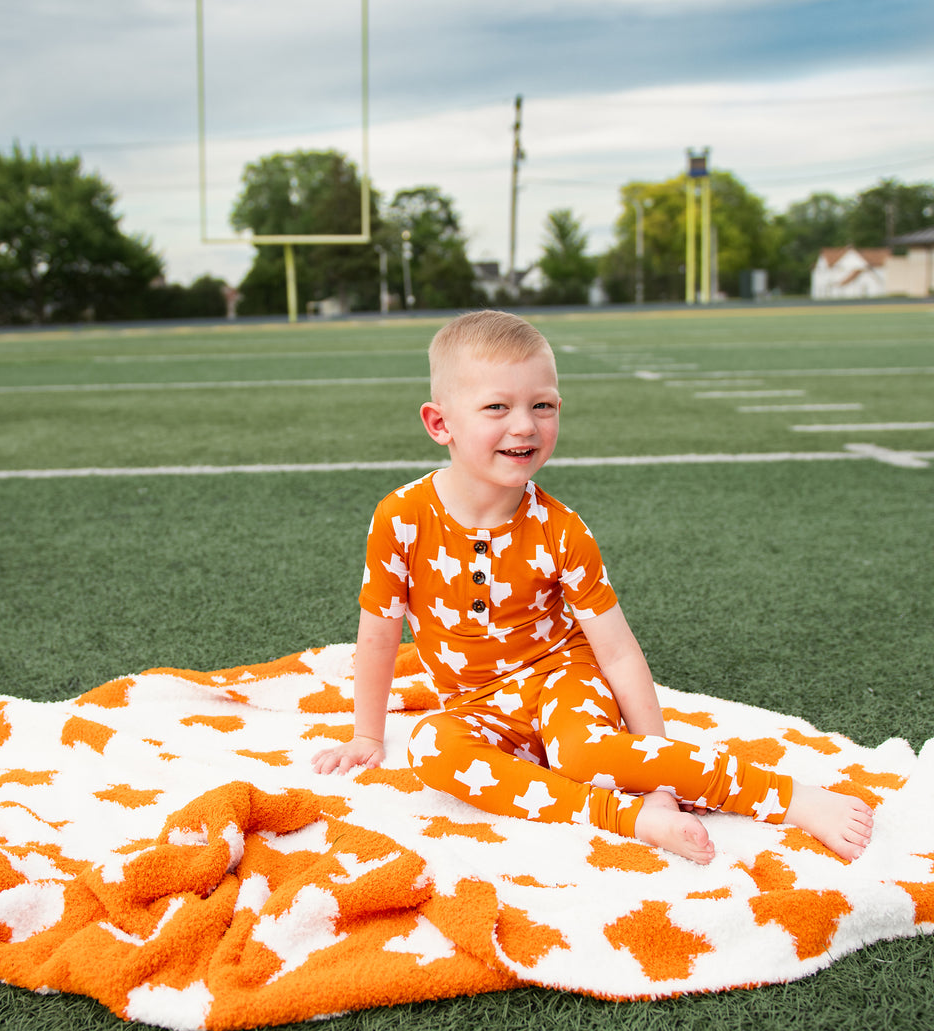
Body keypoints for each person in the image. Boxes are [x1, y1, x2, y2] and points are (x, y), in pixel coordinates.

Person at [312, 310, 873, 864]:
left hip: (562, 680)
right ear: (441, 424)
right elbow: (380, 633)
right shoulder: (401, 518)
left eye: (543, 405)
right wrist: (366, 735)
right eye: (496, 407)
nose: (525, 425)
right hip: (476, 708)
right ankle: (627, 820)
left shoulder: (561, 529)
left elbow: (618, 651)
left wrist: (657, 773)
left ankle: (788, 797)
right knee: (431, 747)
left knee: (581, 752)